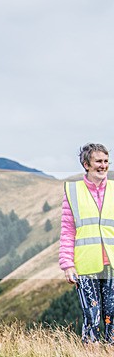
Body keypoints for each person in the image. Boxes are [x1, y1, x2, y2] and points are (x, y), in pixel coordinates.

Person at [60, 143, 114, 343]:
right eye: (98, 161)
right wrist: (67, 265)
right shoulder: (73, 192)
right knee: (92, 316)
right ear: (86, 164)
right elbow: (67, 230)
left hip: (112, 266)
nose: (103, 166)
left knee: (112, 317)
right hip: (85, 266)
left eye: (106, 161)